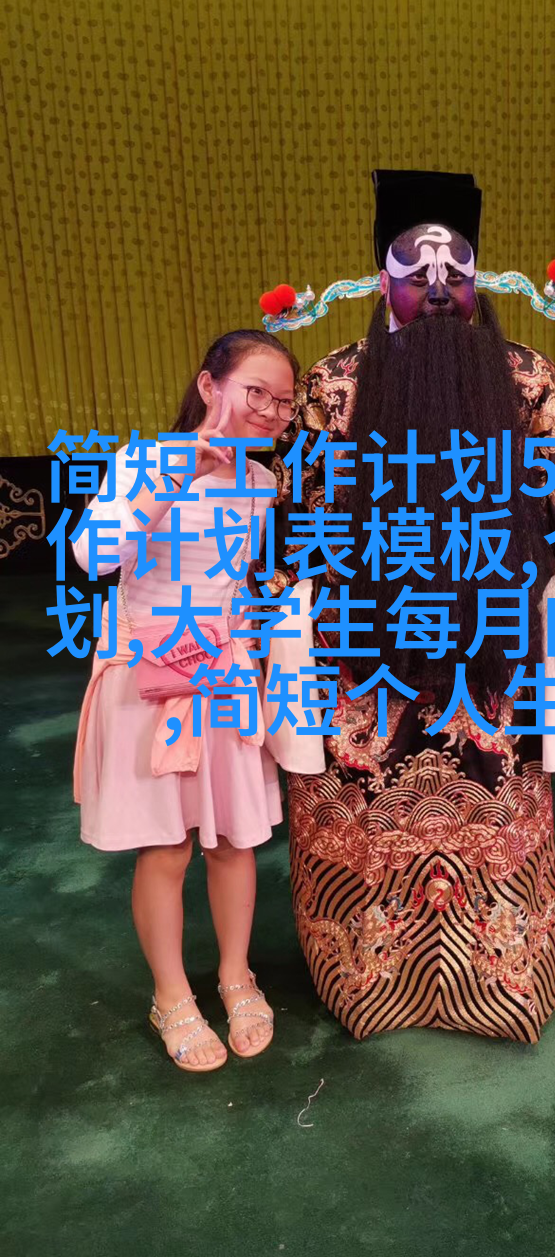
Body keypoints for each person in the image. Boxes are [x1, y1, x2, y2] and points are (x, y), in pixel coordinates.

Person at [258, 169, 555, 1043]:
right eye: (418, 273)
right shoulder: (335, 385)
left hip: (495, 650)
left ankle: (500, 983)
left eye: (457, 272)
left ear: (481, 277)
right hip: (364, 653)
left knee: (496, 805)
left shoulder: (532, 381)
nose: (440, 288)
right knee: (365, 814)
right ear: (384, 280)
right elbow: (293, 526)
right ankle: (369, 982)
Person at [71, 329, 299, 1071]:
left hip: (225, 671)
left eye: (283, 402)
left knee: (234, 839)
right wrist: (171, 478)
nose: (270, 411)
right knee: (166, 845)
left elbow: (239, 581)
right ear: (209, 387)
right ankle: (171, 995)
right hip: (150, 677)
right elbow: (92, 555)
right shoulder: (144, 460)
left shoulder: (260, 483)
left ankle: (236, 976)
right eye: (256, 392)